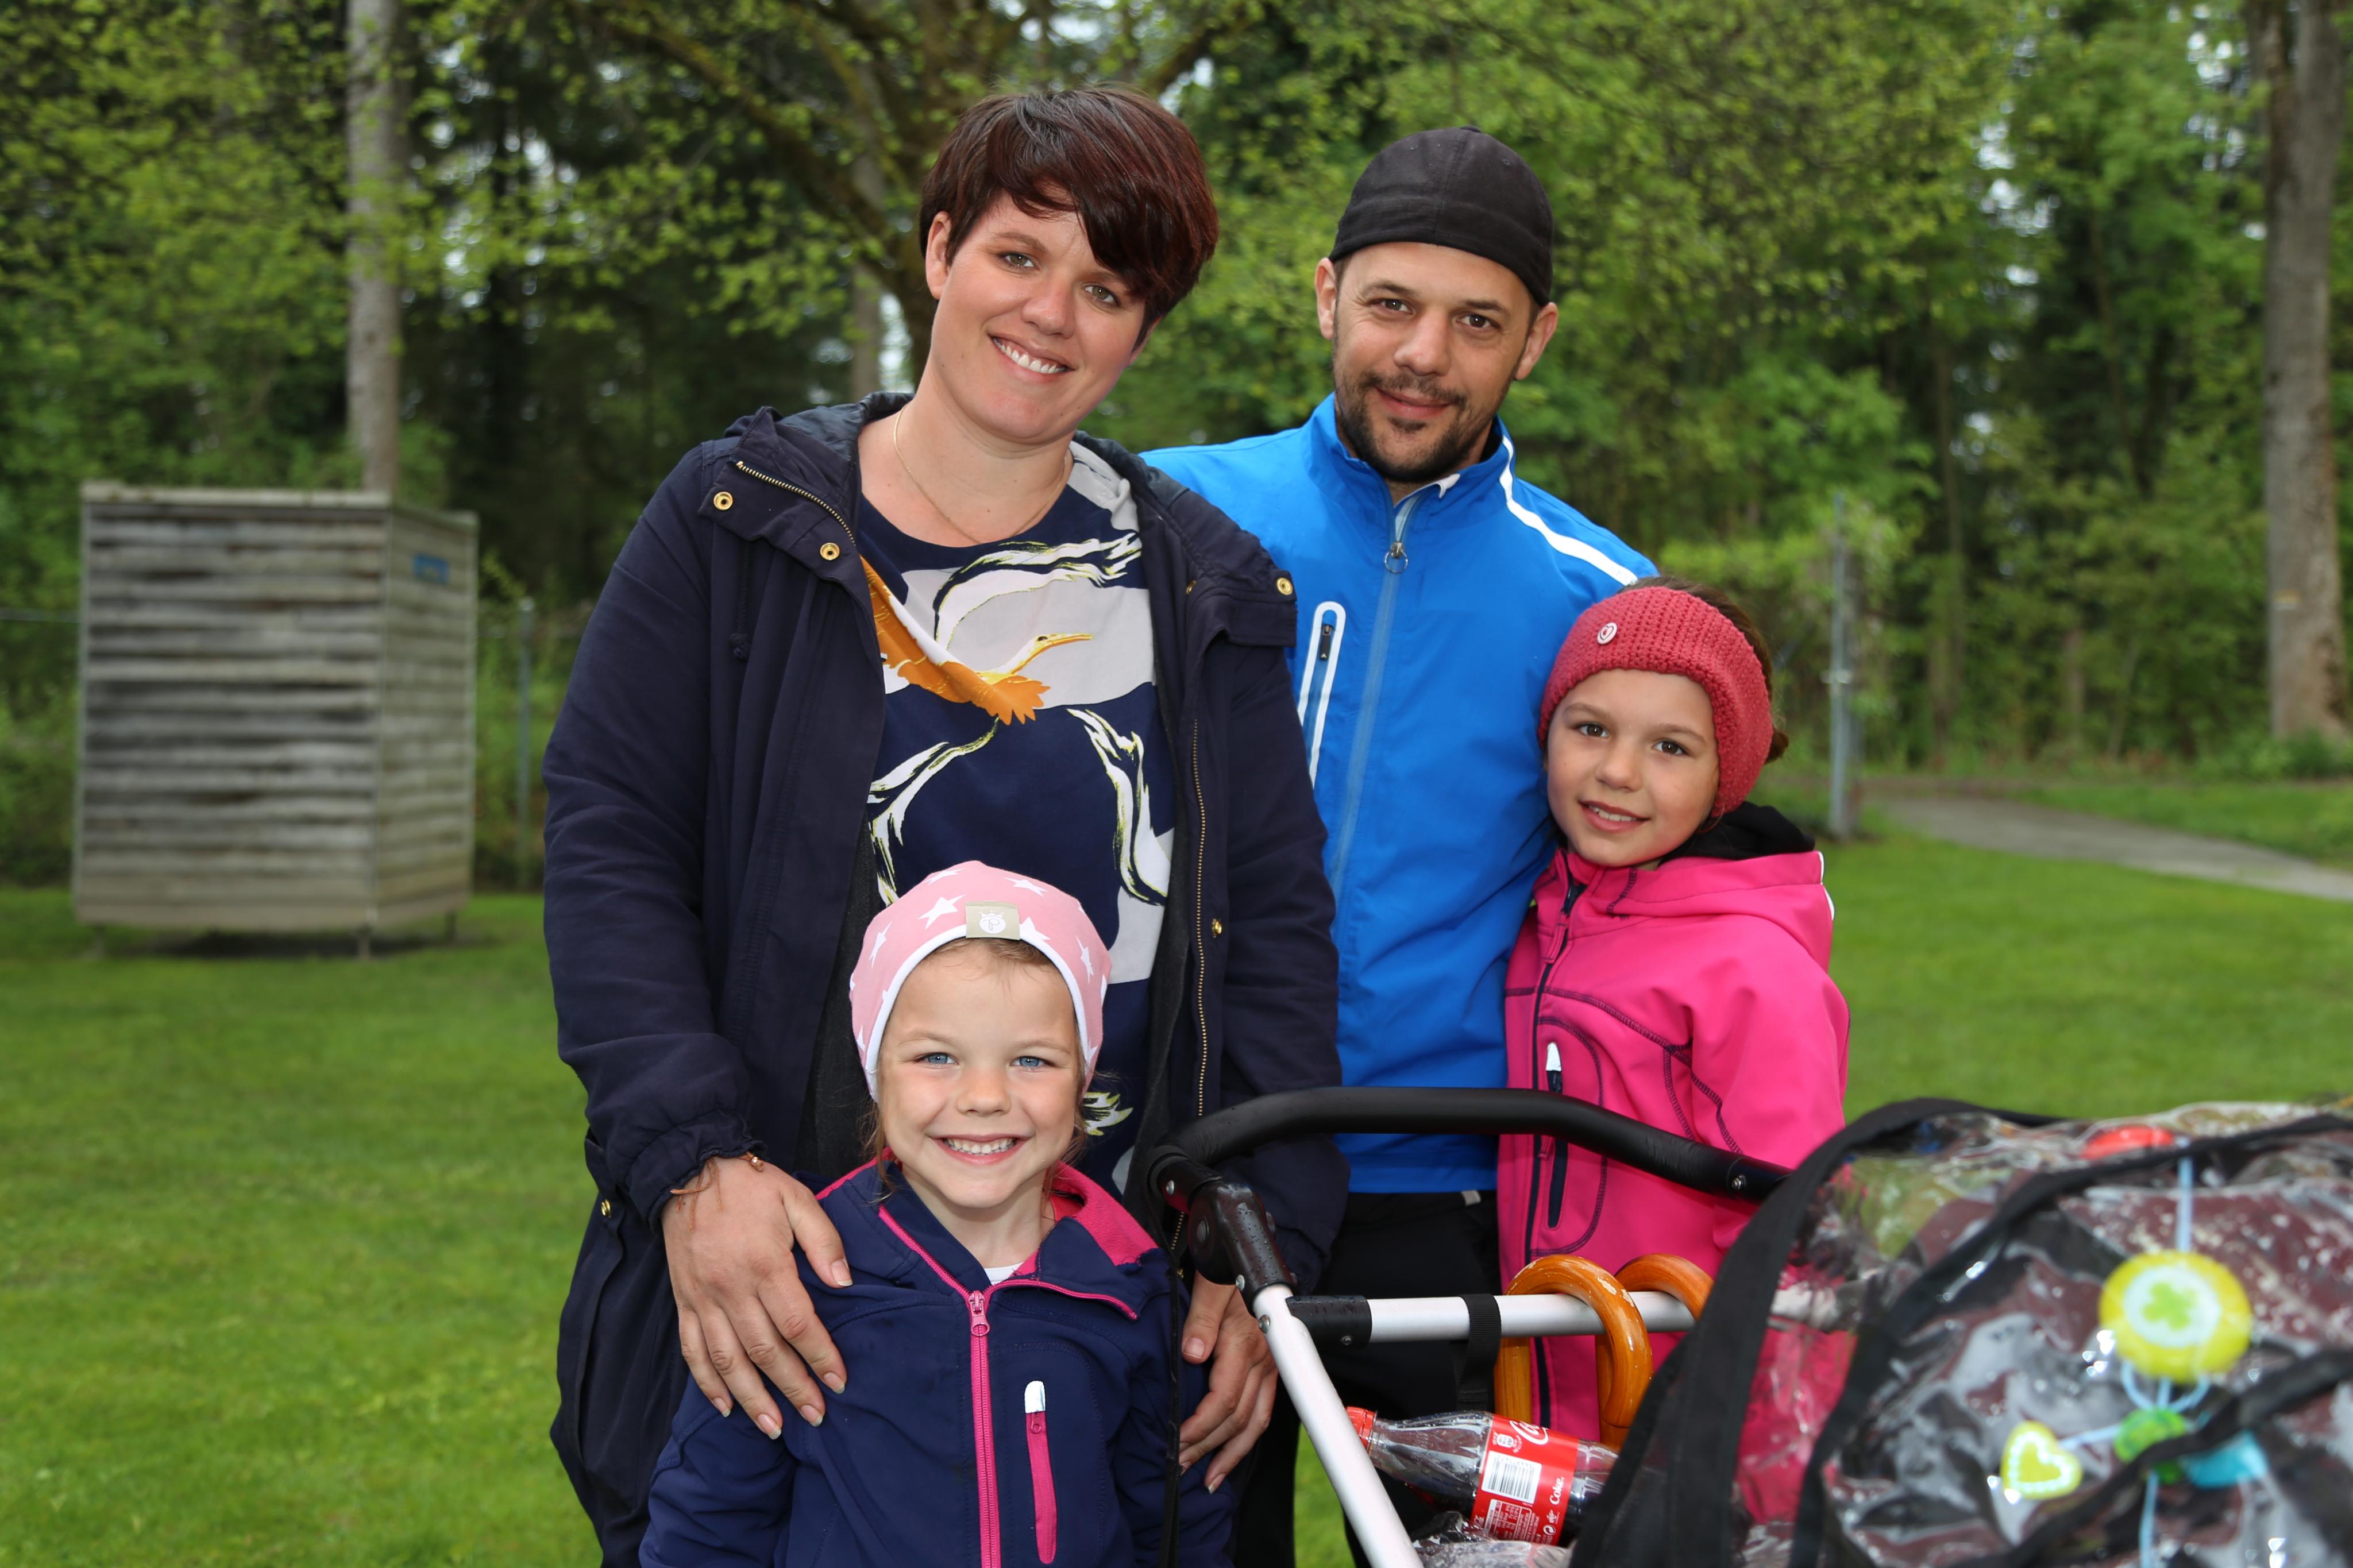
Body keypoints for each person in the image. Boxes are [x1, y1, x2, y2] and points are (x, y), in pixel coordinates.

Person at [543, 86, 1345, 1565]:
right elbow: (611, 840)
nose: (1050, 314)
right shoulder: (737, 522)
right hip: (803, 1301)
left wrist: (1263, 1244)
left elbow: (1278, 933)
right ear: (936, 251)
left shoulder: (1204, 587)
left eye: (1106, 289)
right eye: (1017, 256)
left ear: (1141, 331)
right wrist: (693, 1165)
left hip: (1101, 1335)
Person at [1144, 128, 1652, 1553]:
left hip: (1451, 1194)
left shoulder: (1604, 602)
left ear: (1534, 340)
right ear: (1325, 295)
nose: (1424, 356)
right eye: (1390, 306)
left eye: (1476, 322)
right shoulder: (1166, 517)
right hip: (1189, 1167)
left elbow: (1673, 911)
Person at [641, 863, 1233, 1566]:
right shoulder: (800, 1282)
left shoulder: (1133, 1287)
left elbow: (1175, 1525)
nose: (984, 1096)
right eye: (937, 1057)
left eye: (1031, 1061)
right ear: (875, 1072)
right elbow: (708, 1520)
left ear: (1083, 1079)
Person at [1499, 578, 1849, 1436]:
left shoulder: (1754, 969)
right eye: (1590, 729)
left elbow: (1793, 1233)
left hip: (1681, 1413)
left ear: (1729, 774)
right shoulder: (1544, 915)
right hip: (1542, 1395)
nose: (1617, 771)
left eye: (1670, 747)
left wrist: (1764, 1441)